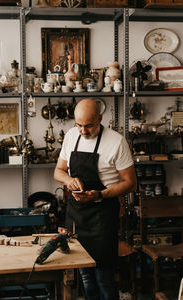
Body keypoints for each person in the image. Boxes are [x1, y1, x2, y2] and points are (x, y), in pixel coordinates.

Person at [54, 98, 137, 300]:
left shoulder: (117, 142)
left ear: (101, 118)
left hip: (102, 215)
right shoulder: (71, 136)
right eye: (79, 125)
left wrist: (100, 194)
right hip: (77, 215)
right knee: (85, 276)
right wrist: (69, 180)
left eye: (89, 126)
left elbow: (130, 183)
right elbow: (58, 171)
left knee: (103, 277)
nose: (83, 131)